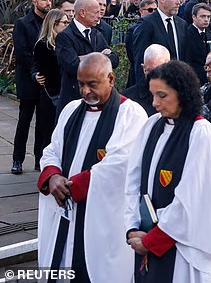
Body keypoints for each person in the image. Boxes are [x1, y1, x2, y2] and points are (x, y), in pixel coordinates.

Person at [37, 53, 147, 282]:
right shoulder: (71, 110)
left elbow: (122, 163)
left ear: (111, 79)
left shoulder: (130, 114)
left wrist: (73, 186)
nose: (85, 91)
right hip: (65, 205)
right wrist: (53, 176)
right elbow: (52, 150)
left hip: (102, 213)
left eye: (92, 84)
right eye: (81, 84)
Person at [125, 61, 211, 282]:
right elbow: (133, 181)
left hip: (185, 248)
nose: (155, 103)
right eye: (152, 95)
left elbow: (191, 199)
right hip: (147, 235)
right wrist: (132, 226)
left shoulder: (203, 133)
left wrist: (153, 239)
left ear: (182, 93)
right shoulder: (151, 125)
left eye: (162, 95)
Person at [11, 0, 52, 174]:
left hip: (46, 82)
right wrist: (35, 71)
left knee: (43, 125)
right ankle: (17, 160)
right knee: (24, 121)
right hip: (29, 79)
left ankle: (39, 160)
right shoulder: (23, 23)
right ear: (35, 2)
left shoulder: (51, 23)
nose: (48, 2)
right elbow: (21, 52)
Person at [56, 0, 119, 114]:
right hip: (73, 97)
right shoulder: (65, 36)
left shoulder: (96, 34)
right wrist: (100, 57)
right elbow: (72, 65)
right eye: (95, 13)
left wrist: (86, 58)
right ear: (82, 13)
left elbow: (115, 60)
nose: (99, 16)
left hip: (97, 99)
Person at [31, 10, 70, 165]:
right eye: (64, 23)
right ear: (54, 24)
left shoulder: (62, 43)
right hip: (51, 94)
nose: (67, 25)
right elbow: (51, 70)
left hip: (61, 92)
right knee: (49, 132)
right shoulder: (43, 45)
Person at [133, 0, 187, 85]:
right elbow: (140, 60)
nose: (178, 2)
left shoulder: (182, 24)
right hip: (156, 86)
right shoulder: (146, 23)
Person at [123, 44, 171, 115]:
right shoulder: (128, 101)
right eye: (151, 71)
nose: (156, 76)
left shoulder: (179, 96)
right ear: (143, 68)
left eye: (161, 71)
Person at [125, 0, 158, 88]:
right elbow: (132, 55)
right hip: (138, 74)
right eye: (150, 10)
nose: (153, 12)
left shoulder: (157, 28)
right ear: (141, 11)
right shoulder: (132, 30)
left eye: (156, 10)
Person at [183, 3, 211, 84]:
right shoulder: (187, 34)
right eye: (202, 16)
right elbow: (187, 60)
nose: (206, 19)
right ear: (194, 17)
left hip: (210, 79)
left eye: (208, 17)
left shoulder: (210, 33)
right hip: (194, 79)